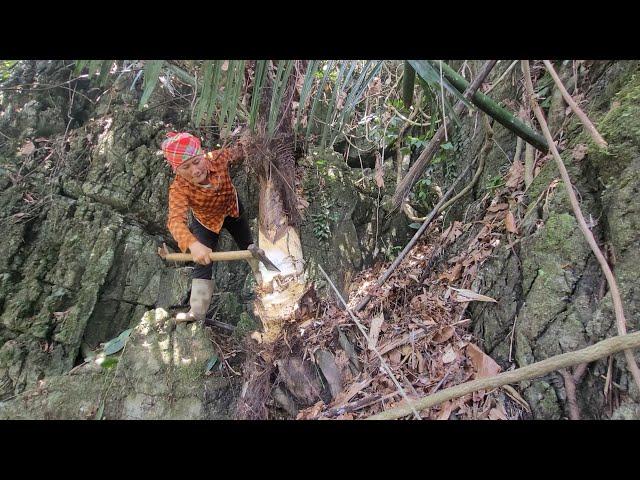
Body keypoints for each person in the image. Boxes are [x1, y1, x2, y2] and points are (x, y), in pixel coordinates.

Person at [161, 131, 257, 323]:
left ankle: (262, 276)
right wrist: (193, 244)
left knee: (249, 246)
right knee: (202, 263)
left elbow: (242, 150)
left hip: (232, 210)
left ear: (203, 154)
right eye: (186, 167)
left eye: (197, 162)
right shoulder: (179, 188)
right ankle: (196, 311)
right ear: (176, 171)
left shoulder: (218, 158)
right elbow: (175, 221)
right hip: (206, 222)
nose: (195, 171)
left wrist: (253, 145)